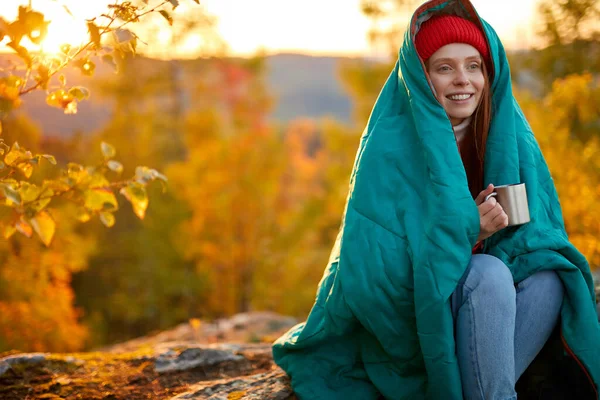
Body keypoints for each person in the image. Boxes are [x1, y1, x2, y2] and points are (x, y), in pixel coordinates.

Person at [272, 0, 600, 399]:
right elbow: (379, 275)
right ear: (422, 77)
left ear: (489, 72)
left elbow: (537, 231)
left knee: (550, 279)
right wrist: (469, 231)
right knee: (489, 275)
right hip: (415, 315)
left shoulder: (507, 134)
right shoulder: (390, 147)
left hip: (481, 308)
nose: (463, 80)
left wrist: (508, 237)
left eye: (473, 66)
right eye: (445, 68)